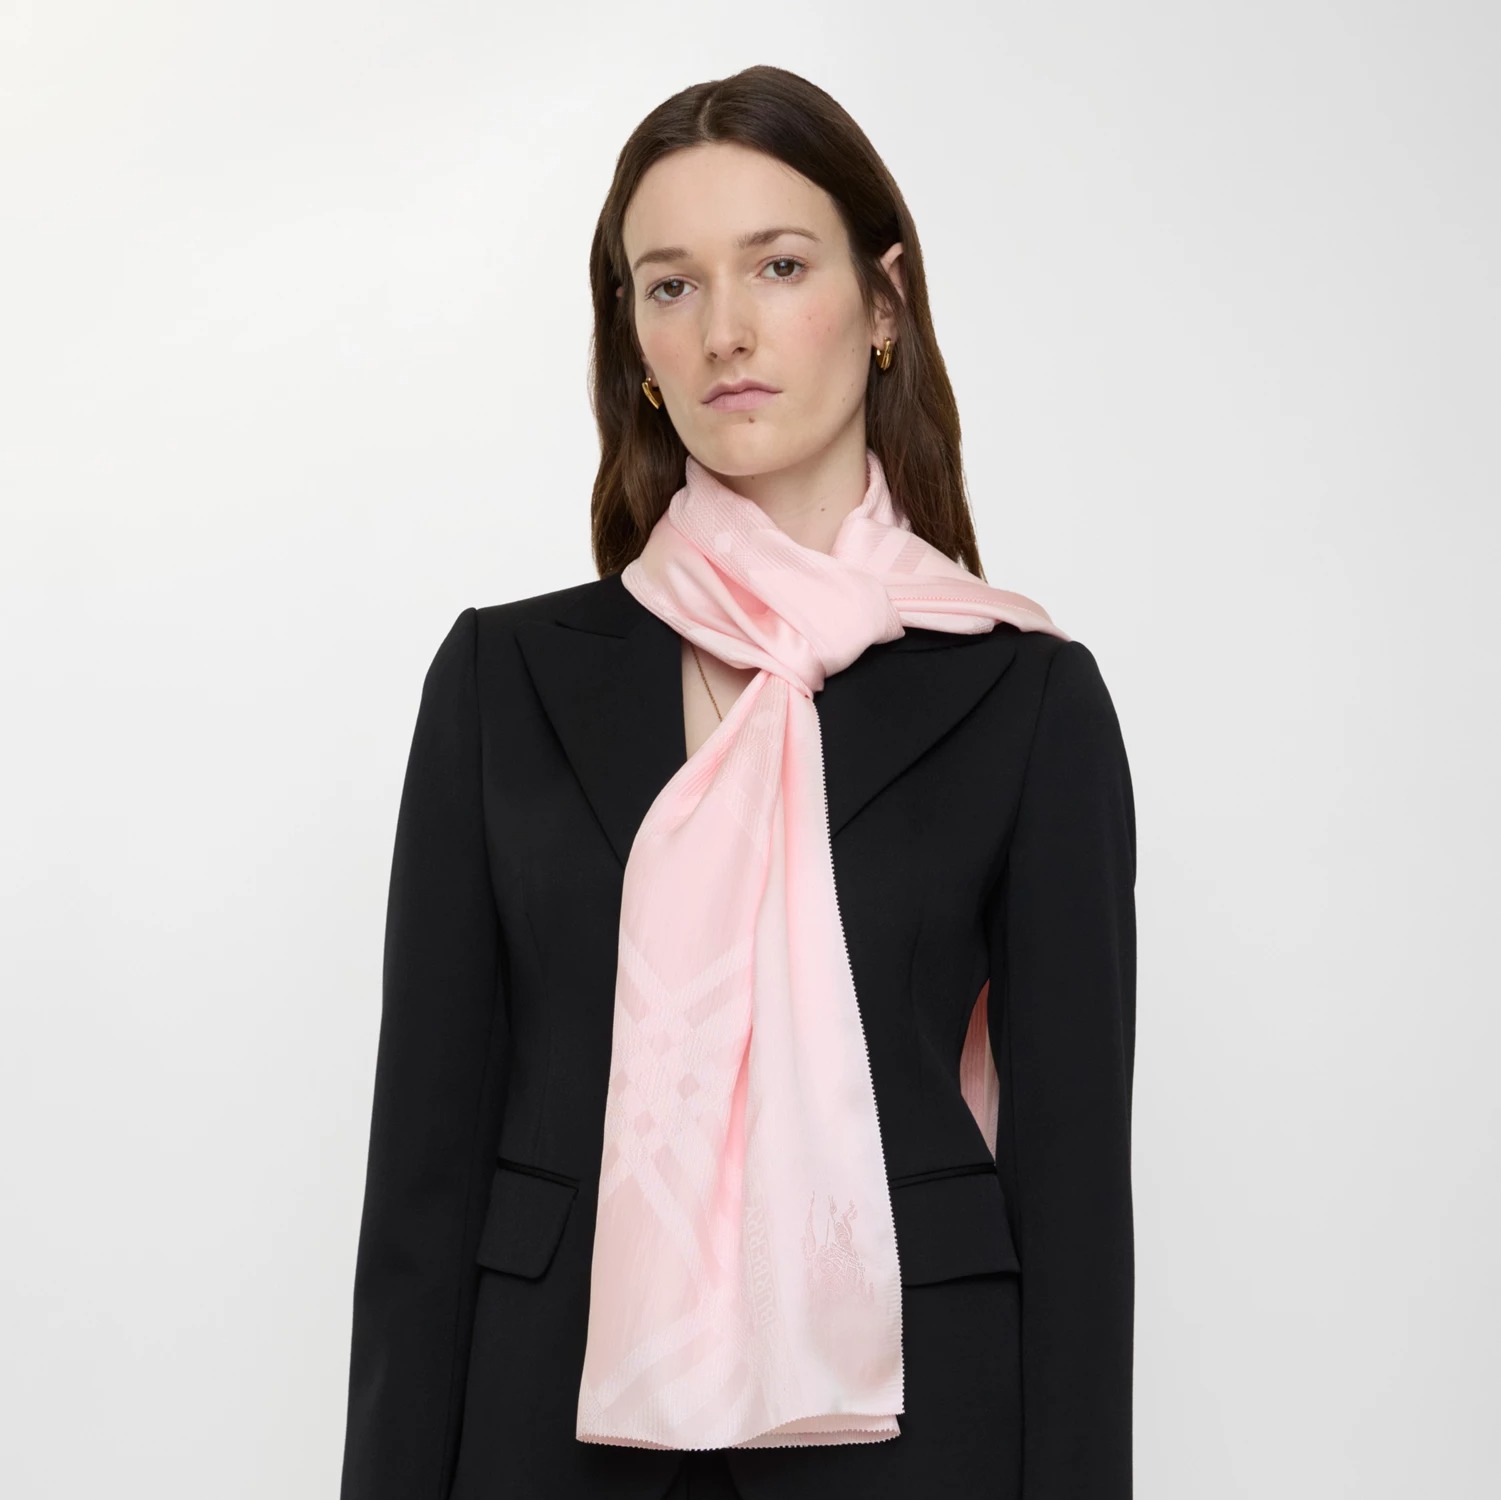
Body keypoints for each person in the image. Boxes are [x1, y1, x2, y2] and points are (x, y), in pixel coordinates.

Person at [339, 64, 1136, 1500]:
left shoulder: (1024, 699)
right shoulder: (500, 682)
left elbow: (1076, 1203)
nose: (725, 330)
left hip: (914, 1424)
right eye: (671, 285)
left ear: (883, 303)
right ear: (635, 342)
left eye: (777, 265)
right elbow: (422, 1179)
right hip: (545, 1418)